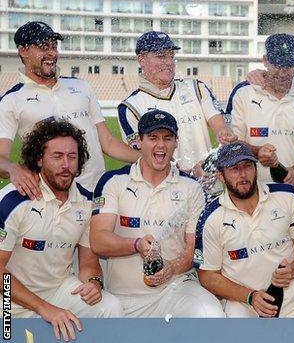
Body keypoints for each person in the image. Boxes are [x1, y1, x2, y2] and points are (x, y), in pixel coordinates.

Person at [89, 110, 225, 318]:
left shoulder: (191, 188)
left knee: (210, 314)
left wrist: (171, 268)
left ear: (176, 143)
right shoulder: (113, 181)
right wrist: (135, 245)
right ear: (139, 142)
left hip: (176, 289)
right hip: (124, 297)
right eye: (153, 138)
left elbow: (191, 252)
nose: (161, 145)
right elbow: (98, 241)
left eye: (167, 138)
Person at [0, 120, 122, 342]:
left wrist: (94, 283)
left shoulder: (86, 203)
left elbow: (88, 264)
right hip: (8, 301)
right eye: (57, 156)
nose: (66, 164)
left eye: (72, 157)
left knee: (110, 307)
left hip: (57, 291)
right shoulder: (13, 200)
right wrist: (43, 308)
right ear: (39, 159)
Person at [0, 21, 138, 197]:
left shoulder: (82, 86)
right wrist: (13, 169)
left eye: (54, 46)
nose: (52, 53)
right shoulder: (11, 100)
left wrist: (145, 159)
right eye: (43, 47)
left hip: (100, 194)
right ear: (23, 51)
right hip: (55, 199)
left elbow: (108, 143)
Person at [195, 142, 294, 317]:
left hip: (289, 309)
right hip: (241, 308)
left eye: (248, 166)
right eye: (234, 169)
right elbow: (208, 275)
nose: (243, 174)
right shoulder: (210, 218)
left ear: (256, 168)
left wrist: (293, 269)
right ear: (220, 175)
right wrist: (250, 297)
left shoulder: (287, 198)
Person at [117, 31, 234, 175]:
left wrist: (225, 135)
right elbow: (145, 158)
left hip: (211, 191)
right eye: (161, 56)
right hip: (165, 193)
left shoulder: (197, 88)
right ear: (141, 60)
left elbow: (221, 128)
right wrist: (189, 176)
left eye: (171, 56)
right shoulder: (130, 107)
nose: (168, 62)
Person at [225, 33, 294, 193]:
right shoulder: (244, 94)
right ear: (265, 60)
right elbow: (233, 146)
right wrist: (257, 151)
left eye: (288, 66)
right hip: (253, 193)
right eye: (277, 65)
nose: (283, 73)